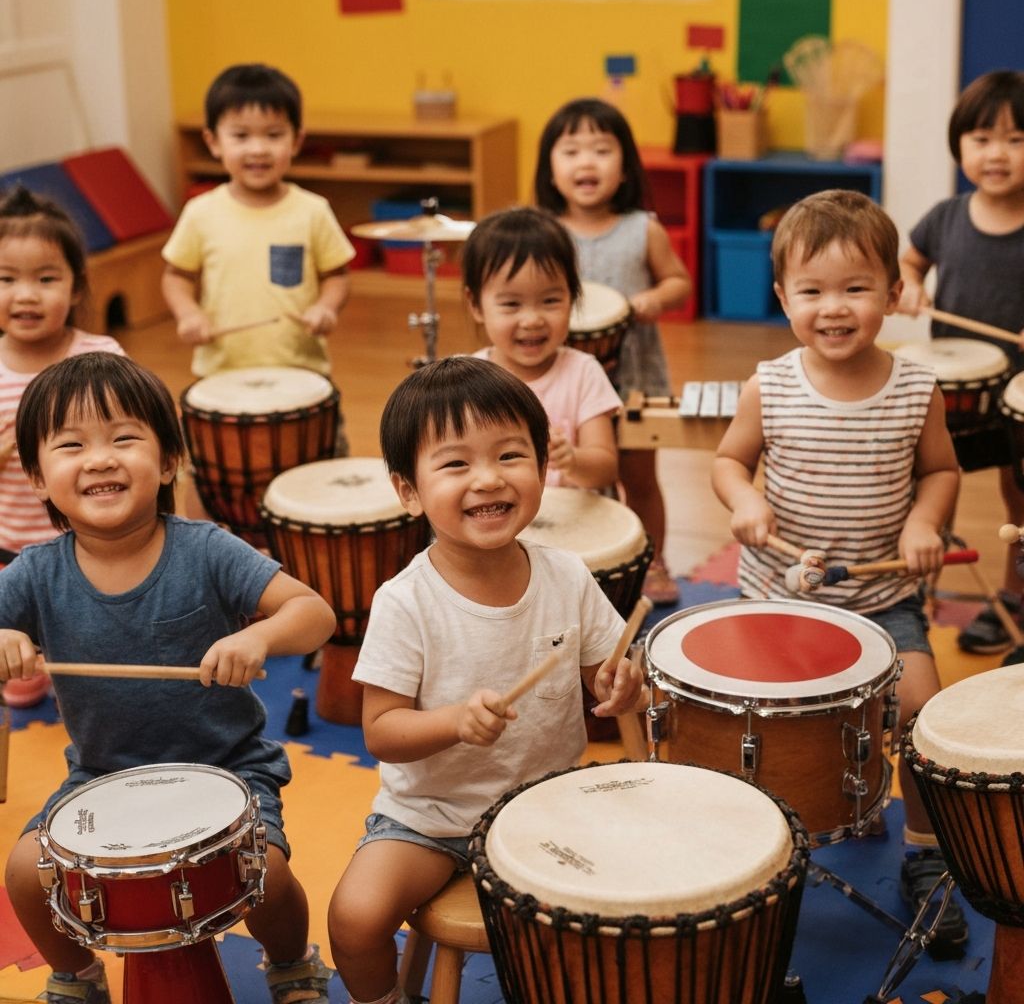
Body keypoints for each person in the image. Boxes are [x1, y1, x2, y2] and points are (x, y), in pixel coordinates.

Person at [0, 352, 339, 1004]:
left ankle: (292, 960)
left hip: (228, 767)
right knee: (23, 871)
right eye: (72, 445)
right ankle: (77, 973)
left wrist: (257, 635)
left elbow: (314, 613)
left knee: (264, 875)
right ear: (38, 477)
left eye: (124, 438)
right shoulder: (37, 572)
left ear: (169, 461)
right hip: (105, 775)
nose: (100, 458)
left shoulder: (205, 548)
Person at [326, 356, 643, 1004]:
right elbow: (382, 732)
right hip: (430, 821)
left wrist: (623, 686)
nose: (489, 479)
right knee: (354, 918)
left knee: (633, 908)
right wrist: (452, 722)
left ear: (542, 465)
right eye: (456, 464)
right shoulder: (404, 601)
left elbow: (608, 677)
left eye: (509, 455)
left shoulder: (568, 576)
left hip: (548, 806)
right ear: (408, 491)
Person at [712, 189, 966, 945]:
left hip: (881, 597)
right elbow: (729, 461)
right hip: (778, 595)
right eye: (812, 290)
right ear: (783, 296)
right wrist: (743, 504)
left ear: (893, 293)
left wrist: (927, 520)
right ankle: (755, 837)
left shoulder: (918, 389)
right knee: (757, 730)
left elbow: (943, 473)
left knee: (923, 717)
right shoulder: (771, 384)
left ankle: (924, 850)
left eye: (856, 288)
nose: (834, 307)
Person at [535, 97, 691, 604]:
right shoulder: (543, 233)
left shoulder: (641, 228)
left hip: (634, 375)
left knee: (640, 477)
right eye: (572, 150)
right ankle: (585, 557)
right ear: (550, 167)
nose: (586, 162)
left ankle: (653, 559)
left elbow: (679, 281)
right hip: (565, 378)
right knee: (573, 472)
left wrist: (654, 298)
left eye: (602, 149)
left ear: (625, 166)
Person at [899, 69, 1024, 663]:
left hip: (1021, 393)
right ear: (960, 147)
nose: (996, 153)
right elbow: (909, 260)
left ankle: (1014, 596)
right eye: (981, 138)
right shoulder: (947, 217)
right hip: (952, 389)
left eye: (1017, 139)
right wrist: (909, 286)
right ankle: (913, 597)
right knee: (933, 487)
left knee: (1018, 501)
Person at [0, 185, 126, 709]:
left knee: (107, 671)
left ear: (76, 288)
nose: (26, 295)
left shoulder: (101, 356)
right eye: (6, 279)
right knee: (23, 689)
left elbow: (133, 442)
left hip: (91, 544)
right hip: (11, 549)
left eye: (46, 278)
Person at [161, 63, 355, 380]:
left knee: (327, 431)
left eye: (274, 135)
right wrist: (188, 313)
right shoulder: (200, 212)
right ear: (213, 142)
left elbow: (337, 276)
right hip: (221, 371)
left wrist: (326, 308)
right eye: (240, 135)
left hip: (301, 369)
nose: (258, 149)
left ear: (296, 141)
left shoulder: (313, 211)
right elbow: (176, 276)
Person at [467, 205, 620, 490]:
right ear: (476, 305)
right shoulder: (467, 381)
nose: (532, 320)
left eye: (550, 301)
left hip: (568, 525)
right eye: (511, 304)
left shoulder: (583, 372)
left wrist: (573, 460)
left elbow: (605, 470)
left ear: (572, 298)